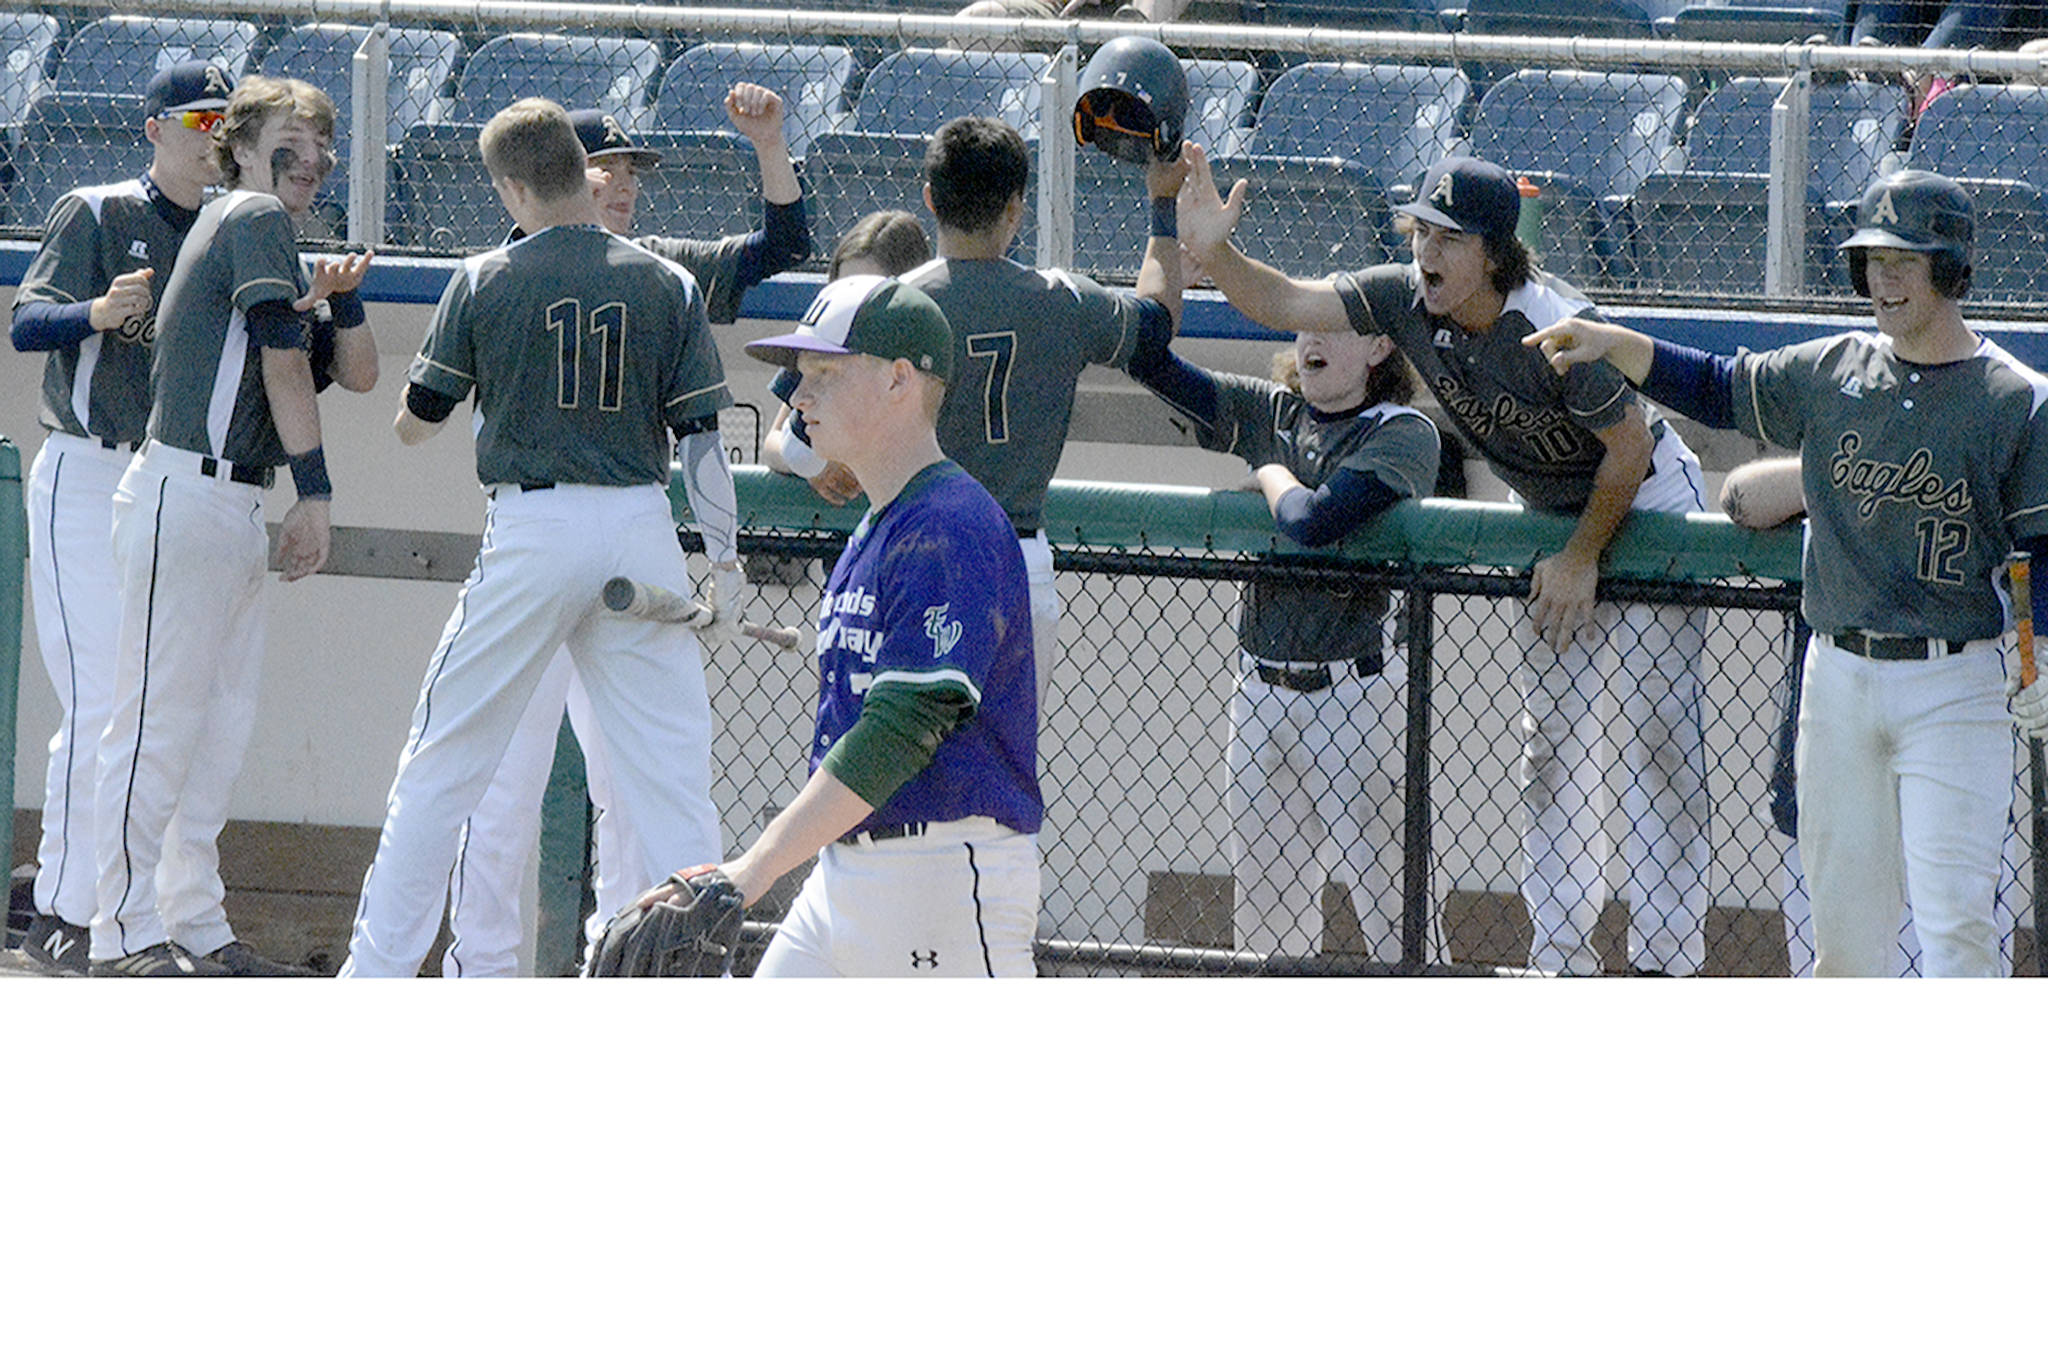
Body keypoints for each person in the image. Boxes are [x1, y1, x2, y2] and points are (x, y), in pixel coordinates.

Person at [1177, 149, 1713, 976]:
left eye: (1449, 238)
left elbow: (1630, 449)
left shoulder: (1552, 323)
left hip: (1642, 500)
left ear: (1493, 254)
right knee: (1552, 745)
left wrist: (1580, 558)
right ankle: (1562, 960)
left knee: (1657, 735)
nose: (1426, 251)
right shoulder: (1403, 296)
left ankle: (1666, 964)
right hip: (1547, 510)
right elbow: (1280, 299)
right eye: (1421, 230)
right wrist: (1214, 255)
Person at [1525, 168, 2048, 977]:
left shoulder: (2015, 397)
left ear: (1951, 269)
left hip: (1956, 684)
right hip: (1835, 674)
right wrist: (1617, 344)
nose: (1884, 277)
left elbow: (2038, 548)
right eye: (1872, 259)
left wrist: (2041, 644)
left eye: (1905, 260)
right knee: (1842, 943)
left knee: (1958, 935)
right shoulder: (1836, 365)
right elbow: (1717, 384)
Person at [339, 98, 733, 978]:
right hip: (640, 523)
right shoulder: (665, 281)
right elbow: (703, 438)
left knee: (440, 767)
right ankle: (690, 986)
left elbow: (417, 421)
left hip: (534, 525)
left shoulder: (485, 275)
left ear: (514, 186)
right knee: (670, 789)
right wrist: (729, 559)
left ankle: (373, 980)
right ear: (580, 172)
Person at [439, 89, 807, 976]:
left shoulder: (660, 269)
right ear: (559, 171)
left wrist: (768, 147)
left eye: (634, 170)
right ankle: (480, 970)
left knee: (633, 787)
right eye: (607, 165)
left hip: (626, 553)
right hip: (530, 539)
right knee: (497, 781)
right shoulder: (499, 271)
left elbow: (781, 248)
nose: (624, 183)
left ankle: (630, 961)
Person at [631, 273, 1042, 976]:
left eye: (824, 371)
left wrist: (751, 871)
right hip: (846, 873)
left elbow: (900, 730)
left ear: (899, 380)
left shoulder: (951, 524)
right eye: (800, 374)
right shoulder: (878, 527)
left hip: (940, 873)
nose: (797, 395)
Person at [88, 75, 379, 976]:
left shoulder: (280, 237)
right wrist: (319, 494)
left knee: (217, 727)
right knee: (157, 723)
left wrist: (347, 299)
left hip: (229, 500)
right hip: (189, 489)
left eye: (324, 143)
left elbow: (360, 373)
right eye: (295, 137)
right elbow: (285, 366)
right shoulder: (250, 215)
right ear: (244, 144)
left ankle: (194, 921)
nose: (315, 157)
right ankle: (119, 932)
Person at [1127, 295, 1455, 962]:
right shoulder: (1271, 410)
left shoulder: (1404, 431)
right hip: (1260, 691)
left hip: (1356, 695)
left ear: (1380, 347)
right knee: (1269, 932)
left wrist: (1268, 470)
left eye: (1333, 326)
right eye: (1304, 322)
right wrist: (1171, 250)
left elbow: (1313, 521)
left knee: (1400, 922)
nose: (1312, 338)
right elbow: (1155, 368)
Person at [7, 61, 231, 975]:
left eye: (226, 115)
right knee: (101, 699)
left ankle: (139, 917)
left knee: (157, 709)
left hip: (169, 485)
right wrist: (94, 312)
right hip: (86, 472)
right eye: (197, 116)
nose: (214, 130)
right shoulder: (99, 210)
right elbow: (25, 322)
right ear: (155, 128)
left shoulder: (229, 225)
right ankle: (63, 912)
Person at [900, 115, 1184, 707]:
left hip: (915, 550)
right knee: (1005, 770)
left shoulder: (890, 303)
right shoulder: (1062, 300)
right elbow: (1156, 323)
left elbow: (805, 435)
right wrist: (1163, 204)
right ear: (1014, 209)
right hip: (1016, 555)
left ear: (930, 199)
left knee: (901, 766)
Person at [1720, 456, 1921, 975]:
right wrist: (1858, 464)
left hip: (1939, 770)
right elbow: (1741, 497)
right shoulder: (1839, 455)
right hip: (1825, 773)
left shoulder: (1971, 439)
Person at [763, 209, 933, 506]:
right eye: (843, 288)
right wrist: (815, 466)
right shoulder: (820, 343)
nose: (851, 302)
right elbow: (774, 443)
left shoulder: (930, 358)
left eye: (868, 291)